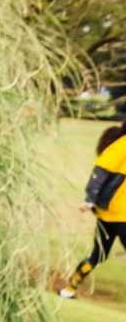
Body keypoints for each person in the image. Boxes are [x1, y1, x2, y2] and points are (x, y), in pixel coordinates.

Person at [61, 122, 126, 299]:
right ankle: (69, 288)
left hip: (112, 215)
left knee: (97, 256)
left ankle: (69, 288)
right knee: (97, 255)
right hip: (118, 214)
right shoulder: (121, 147)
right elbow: (100, 173)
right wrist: (89, 200)